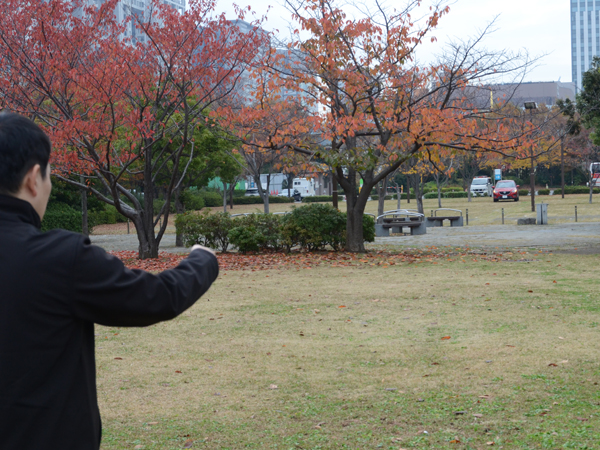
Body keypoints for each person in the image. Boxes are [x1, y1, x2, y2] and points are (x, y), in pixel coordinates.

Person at [0, 112, 219, 449]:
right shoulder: (58, 258)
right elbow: (156, 298)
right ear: (33, 178)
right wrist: (203, 260)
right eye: (48, 176)